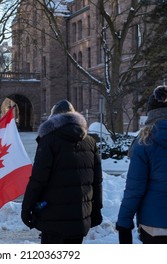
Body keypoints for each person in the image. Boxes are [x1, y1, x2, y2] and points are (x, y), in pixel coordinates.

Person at [116, 85, 167, 244]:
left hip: (153, 223)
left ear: (151, 111)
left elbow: (134, 188)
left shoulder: (144, 140)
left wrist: (124, 223)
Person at [21, 99, 103, 244]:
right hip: (80, 217)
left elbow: (38, 179)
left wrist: (27, 208)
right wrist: (96, 210)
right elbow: (97, 181)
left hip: (53, 219)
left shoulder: (49, 141)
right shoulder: (90, 142)